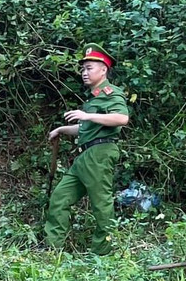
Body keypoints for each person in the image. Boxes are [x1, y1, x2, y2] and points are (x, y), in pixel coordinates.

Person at [43, 46, 131, 255]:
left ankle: (102, 253)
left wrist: (87, 115)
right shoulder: (93, 98)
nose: (84, 72)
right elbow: (85, 129)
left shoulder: (111, 93)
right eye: (82, 69)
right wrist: (62, 129)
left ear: (103, 70)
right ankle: (53, 249)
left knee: (101, 204)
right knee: (60, 197)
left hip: (100, 153)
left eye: (89, 68)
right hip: (85, 155)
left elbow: (122, 118)